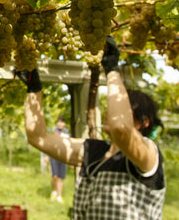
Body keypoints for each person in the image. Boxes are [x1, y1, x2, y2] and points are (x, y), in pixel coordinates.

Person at [16, 36, 166, 219]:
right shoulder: (95, 152)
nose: (110, 112)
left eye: (120, 107)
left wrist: (112, 70)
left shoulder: (148, 156)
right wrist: (34, 88)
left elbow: (122, 129)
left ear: (144, 122)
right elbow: (37, 138)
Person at [47, 115, 70, 203]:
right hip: (54, 155)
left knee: (61, 177)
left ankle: (59, 197)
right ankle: (54, 191)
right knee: (55, 176)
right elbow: (48, 144)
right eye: (59, 122)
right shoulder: (53, 131)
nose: (60, 124)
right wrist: (46, 155)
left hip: (63, 157)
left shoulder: (68, 133)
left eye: (62, 122)